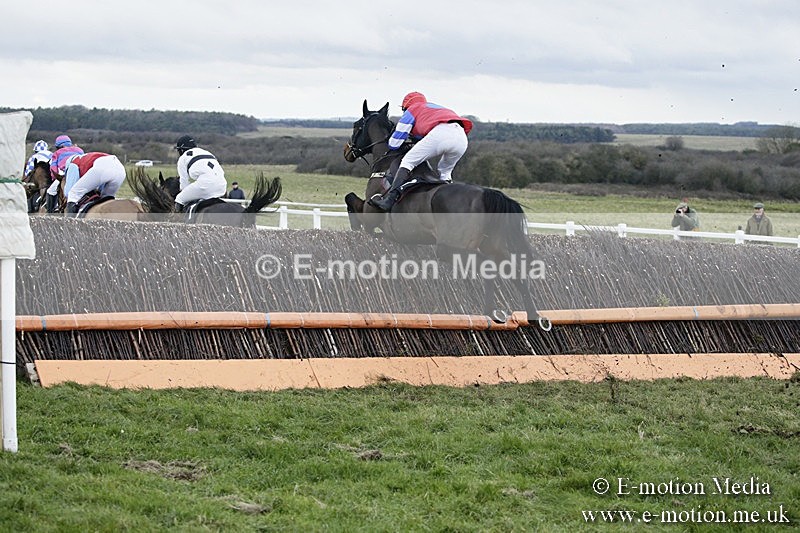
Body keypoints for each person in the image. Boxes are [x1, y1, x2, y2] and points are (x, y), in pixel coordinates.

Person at [368, 92, 473, 211]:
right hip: (461, 138)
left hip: (441, 134)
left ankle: (389, 200)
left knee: (407, 161)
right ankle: (447, 203)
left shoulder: (412, 110)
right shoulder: (434, 108)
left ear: (406, 106)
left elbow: (394, 144)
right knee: (445, 171)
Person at [174, 135, 227, 211]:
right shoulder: (207, 152)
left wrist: (185, 193)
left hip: (205, 185)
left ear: (182, 150)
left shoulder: (183, 158)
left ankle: (178, 221)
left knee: (179, 198)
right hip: (222, 186)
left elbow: (184, 182)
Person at [62, 152, 126, 214]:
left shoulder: (73, 163)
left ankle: (70, 222)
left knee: (73, 193)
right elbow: (100, 185)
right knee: (106, 199)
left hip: (103, 168)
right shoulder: (88, 157)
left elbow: (69, 190)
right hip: (121, 170)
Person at [48, 135, 85, 213]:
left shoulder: (57, 153)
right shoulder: (80, 150)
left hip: (64, 172)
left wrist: (54, 178)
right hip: (80, 172)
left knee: (51, 191)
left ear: (61, 146)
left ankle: (50, 212)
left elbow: (53, 168)